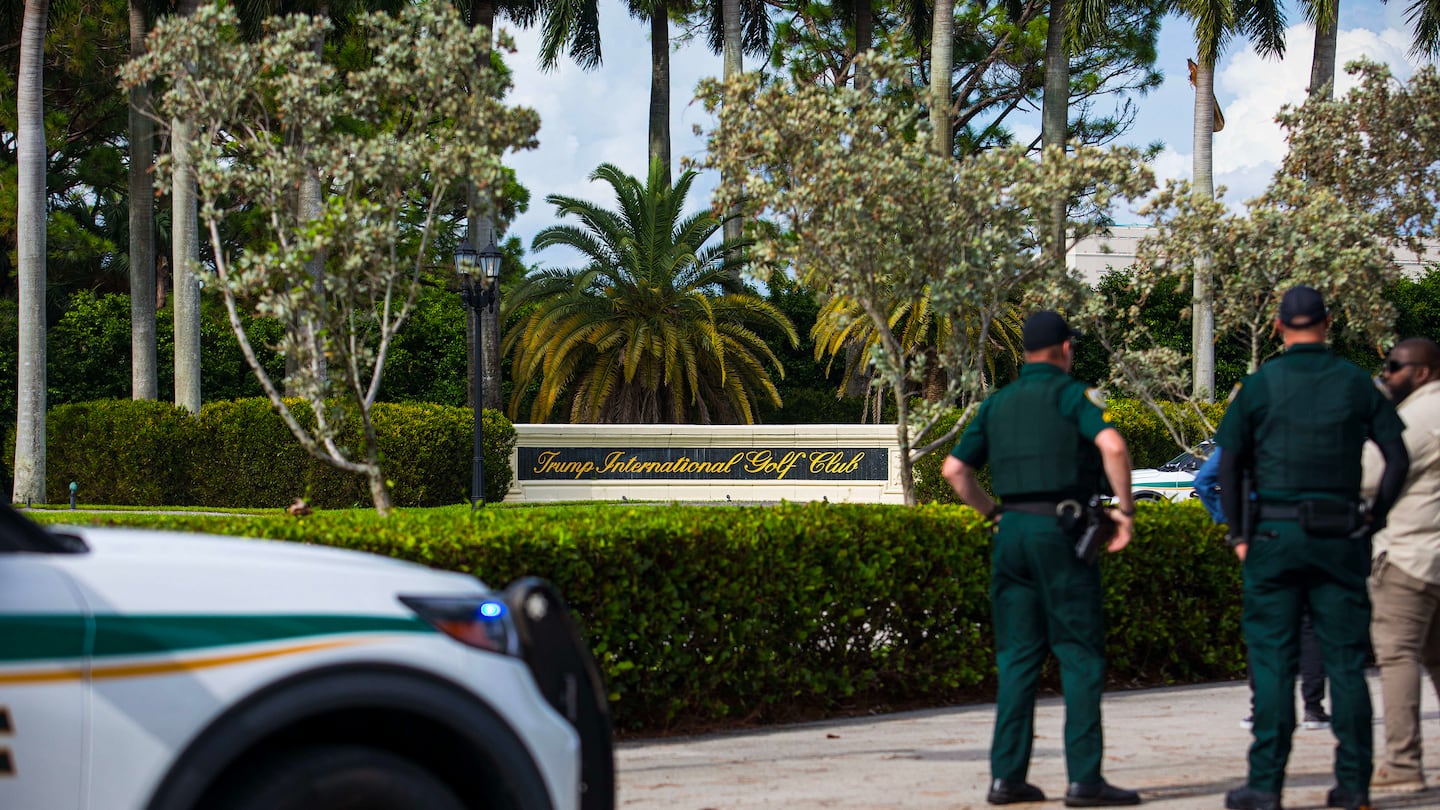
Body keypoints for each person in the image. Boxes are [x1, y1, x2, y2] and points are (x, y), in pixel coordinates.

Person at [1215, 286, 1410, 810]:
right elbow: (1397, 457)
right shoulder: (1354, 382)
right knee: (1345, 661)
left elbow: (1228, 466)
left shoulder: (1258, 387)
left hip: (1274, 536)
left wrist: (1238, 533)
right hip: (1339, 534)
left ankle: (1265, 785)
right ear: (1328, 322)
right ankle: (1352, 786)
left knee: (1273, 660)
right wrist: (1373, 519)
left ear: (1278, 327)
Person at [942, 310, 1141, 808]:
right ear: (1067, 349)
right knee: (1078, 654)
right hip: (1062, 532)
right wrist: (1126, 512)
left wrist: (993, 515)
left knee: (1016, 659)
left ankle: (1006, 778)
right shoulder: (1076, 395)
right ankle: (1084, 780)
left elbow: (954, 471)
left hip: (1012, 534)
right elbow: (1113, 446)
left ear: (1025, 352)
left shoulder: (997, 403)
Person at [1196, 448, 1332, 732]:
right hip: (1310, 530)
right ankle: (1313, 708)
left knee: (1266, 626)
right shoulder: (1310, 425)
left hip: (1261, 532)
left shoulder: (1248, 425)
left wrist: (1230, 522)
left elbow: (1204, 481)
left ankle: (1264, 709)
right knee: (1309, 622)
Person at [1362, 337, 1440, 794]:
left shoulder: (1415, 417)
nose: (1388, 375)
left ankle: (1403, 761)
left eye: (1394, 366)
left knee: (1398, 655)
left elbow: (1368, 474)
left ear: (1423, 372)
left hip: (1411, 555)